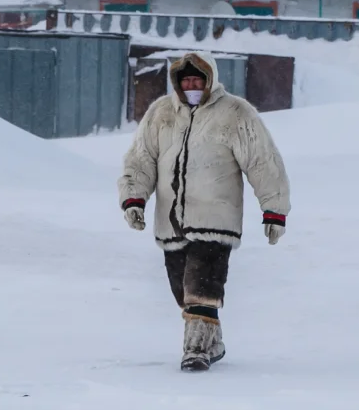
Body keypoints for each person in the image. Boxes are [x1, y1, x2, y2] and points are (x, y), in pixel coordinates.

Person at [118, 52, 291, 371]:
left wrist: (274, 210)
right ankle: (213, 341)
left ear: (210, 79)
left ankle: (195, 350)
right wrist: (134, 199)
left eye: (198, 79)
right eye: (186, 80)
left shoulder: (236, 113)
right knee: (182, 289)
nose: (192, 85)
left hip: (216, 217)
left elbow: (262, 161)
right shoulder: (161, 113)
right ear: (177, 83)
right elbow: (141, 159)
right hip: (171, 222)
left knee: (202, 286)